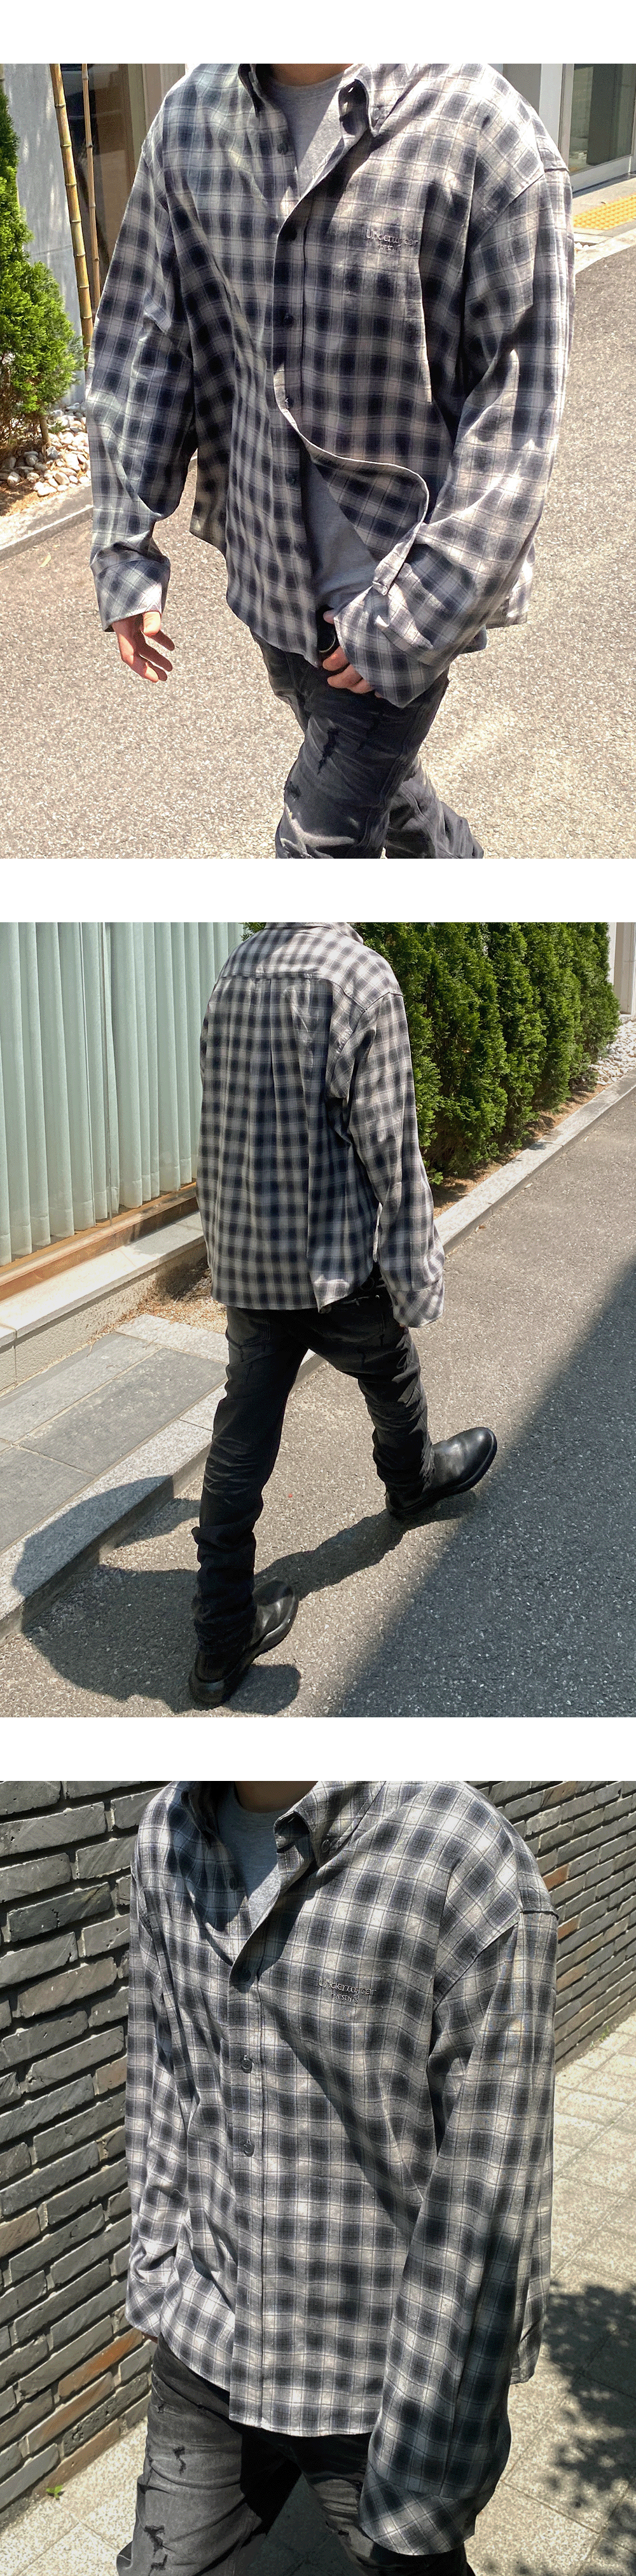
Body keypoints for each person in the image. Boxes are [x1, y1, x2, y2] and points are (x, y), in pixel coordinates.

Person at [86, 62, 574, 862]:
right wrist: (124, 553)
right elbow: (147, 345)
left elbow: (517, 416)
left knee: (315, 848)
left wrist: (412, 621)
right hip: (269, 586)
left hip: (397, 591)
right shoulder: (189, 122)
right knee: (392, 793)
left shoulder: (482, 130)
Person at [118, 1776, 557, 2576]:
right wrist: (157, 2271)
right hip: (206, 2337)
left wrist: (434, 2463)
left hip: (372, 2384)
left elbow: (486, 2193)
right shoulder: (166, 1835)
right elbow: (163, 2071)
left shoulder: (461, 1858)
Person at [190, 924, 497, 1707]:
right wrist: (415, 1278)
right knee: (390, 1372)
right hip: (333, 1263)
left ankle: (219, 1638)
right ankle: (412, 1484)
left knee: (241, 1437)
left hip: (250, 1260)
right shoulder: (359, 979)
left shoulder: (237, 966)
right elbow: (392, 1149)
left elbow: (224, 1123)